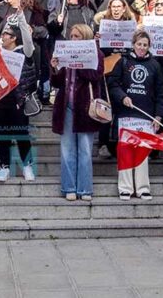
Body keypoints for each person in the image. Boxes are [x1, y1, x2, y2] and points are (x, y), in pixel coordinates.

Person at [108, 30, 163, 200]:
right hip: (126, 115)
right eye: (139, 44)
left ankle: (142, 188)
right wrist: (122, 96)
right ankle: (125, 187)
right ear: (133, 44)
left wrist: (158, 116)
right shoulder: (123, 61)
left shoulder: (155, 65)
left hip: (145, 116)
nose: (141, 48)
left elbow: (161, 93)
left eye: (145, 45)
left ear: (149, 47)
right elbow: (112, 84)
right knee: (125, 151)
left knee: (142, 152)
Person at [50, 24, 104, 201]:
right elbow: (56, 83)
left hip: (85, 108)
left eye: (77, 36)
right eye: (71, 36)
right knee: (67, 150)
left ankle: (85, 189)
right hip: (66, 107)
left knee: (85, 150)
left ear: (86, 37)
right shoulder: (64, 52)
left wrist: (79, 62)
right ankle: (69, 187)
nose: (73, 39)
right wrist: (56, 68)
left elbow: (96, 76)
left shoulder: (97, 54)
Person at [0, 15, 38, 182]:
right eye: (3, 34)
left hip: (19, 100)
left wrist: (22, 21)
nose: (2, 37)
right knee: (3, 134)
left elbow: (28, 40)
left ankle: (27, 166)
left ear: (14, 38)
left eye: (6, 34)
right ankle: (4, 167)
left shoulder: (24, 52)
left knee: (21, 134)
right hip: (1, 99)